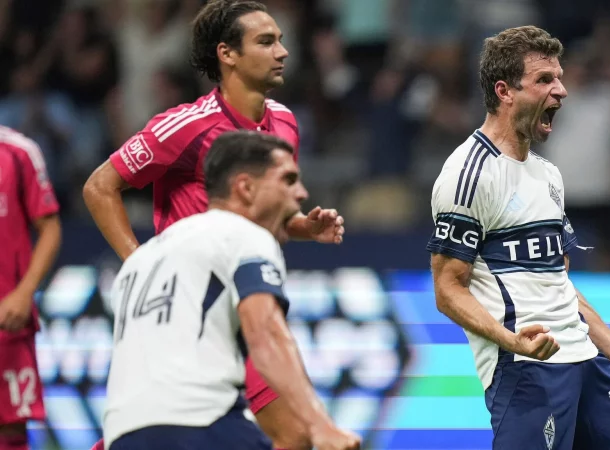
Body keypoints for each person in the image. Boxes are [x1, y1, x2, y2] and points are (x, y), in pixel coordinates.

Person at [83, 1, 344, 448]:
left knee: (295, 437)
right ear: (227, 54)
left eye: (280, 39)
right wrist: (142, 263)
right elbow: (98, 187)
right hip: (191, 314)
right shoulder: (185, 126)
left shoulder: (283, 122)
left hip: (247, 306)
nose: (283, 51)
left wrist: (303, 226)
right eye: (266, 41)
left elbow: (270, 216)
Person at [426, 26, 610, 450]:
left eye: (559, 77)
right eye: (545, 80)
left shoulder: (548, 174)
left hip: (586, 362)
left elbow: (562, 288)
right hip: (526, 371)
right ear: (505, 90)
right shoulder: (469, 175)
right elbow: (447, 288)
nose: (561, 90)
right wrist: (511, 341)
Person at [103, 131, 360, 450]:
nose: (301, 193)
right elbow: (267, 335)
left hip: (122, 434)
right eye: (288, 180)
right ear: (246, 188)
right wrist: (321, 425)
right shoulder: (243, 234)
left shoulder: (142, 259)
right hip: (199, 424)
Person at [0, 126, 62, 450]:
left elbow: (50, 227)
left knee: (10, 431)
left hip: (7, 319)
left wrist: (24, 293)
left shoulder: (19, 151)